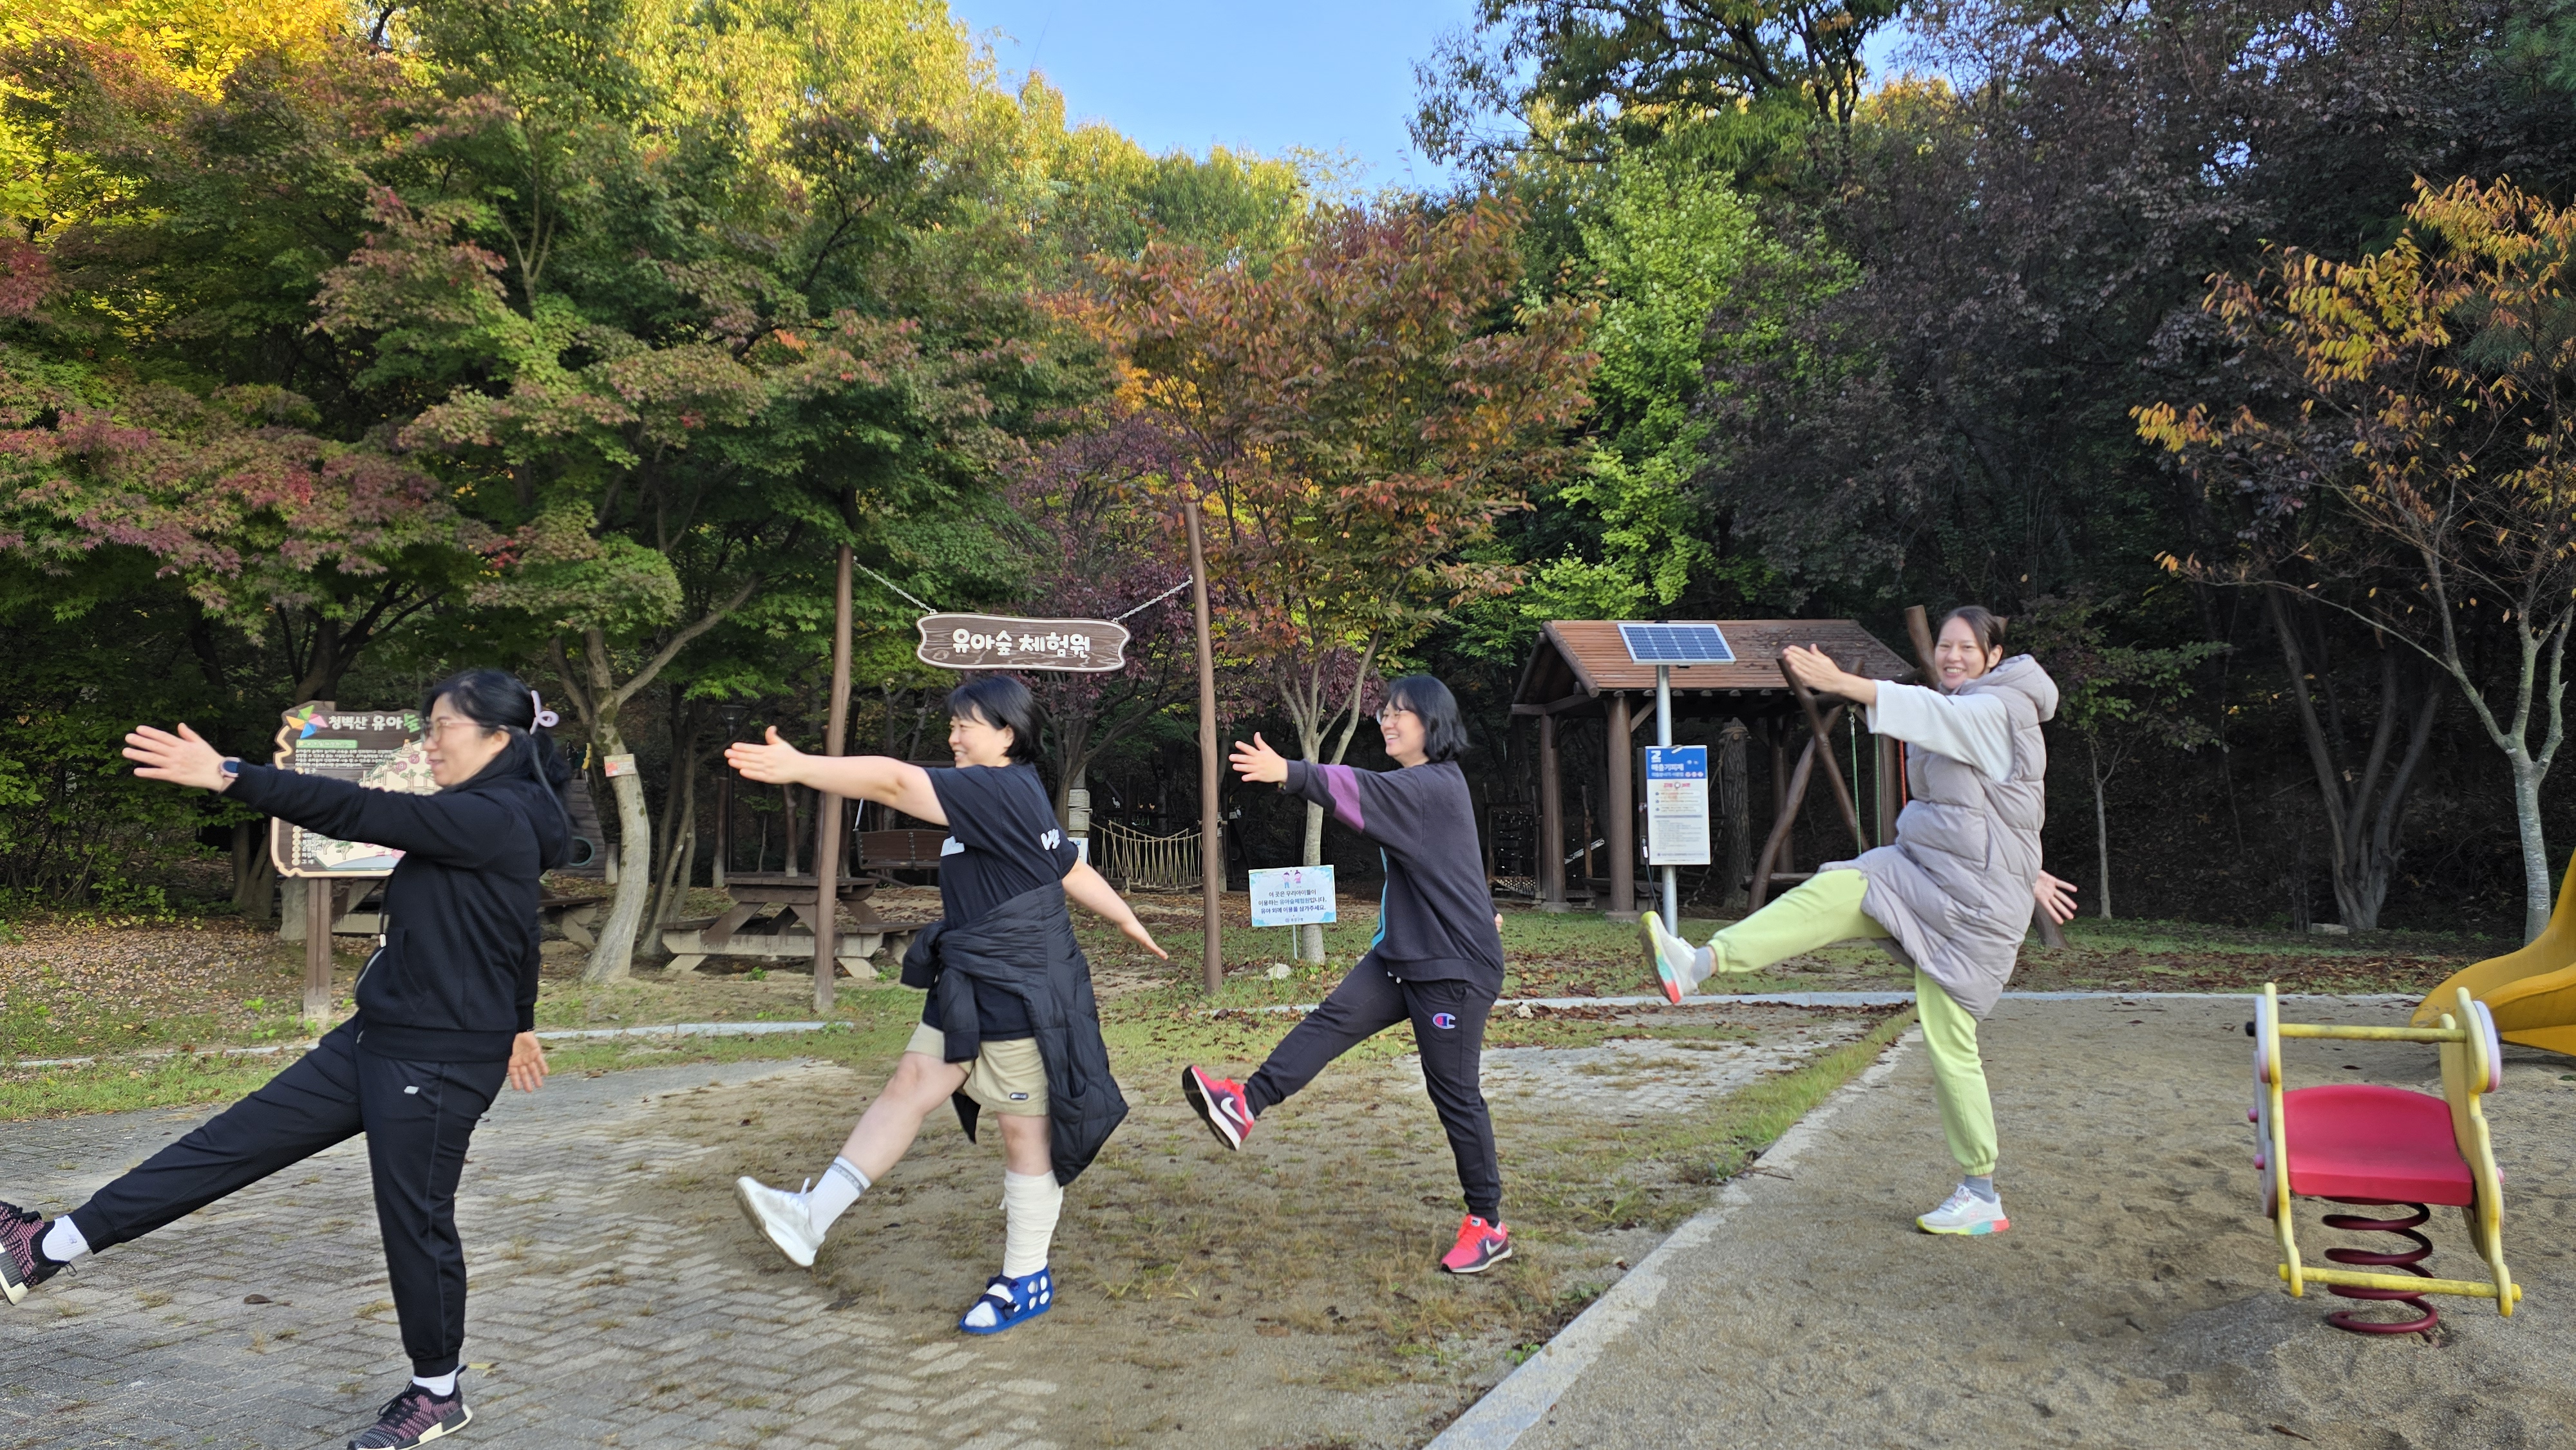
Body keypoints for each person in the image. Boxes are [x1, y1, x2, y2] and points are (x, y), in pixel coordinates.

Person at [1, 669, 573, 1450]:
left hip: (438, 1060)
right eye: (427, 724)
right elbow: (515, 929)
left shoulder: (493, 815)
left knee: (415, 1222)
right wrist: (524, 1022)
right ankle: (44, 1248)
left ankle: (437, 1392)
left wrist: (228, 773)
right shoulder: (490, 813)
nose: (429, 740)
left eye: (442, 725)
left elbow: (359, 809)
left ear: (498, 738)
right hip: (376, 1037)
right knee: (227, 1144)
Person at [725, 673, 1165, 1335]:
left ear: (1007, 734)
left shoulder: (1001, 788)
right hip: (970, 978)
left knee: (1024, 1131)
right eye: (952, 724)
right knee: (909, 1084)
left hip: (1021, 983)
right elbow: (1068, 863)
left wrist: (801, 767)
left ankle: (1026, 1276)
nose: (953, 736)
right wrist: (1126, 917)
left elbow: (893, 782)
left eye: (966, 725)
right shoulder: (1010, 793)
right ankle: (809, 1218)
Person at [1641, 607, 2079, 1236]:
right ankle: (1697, 963)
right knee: (1841, 885)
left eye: (1966, 648)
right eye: (1946, 645)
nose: (1952, 656)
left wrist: (1845, 684)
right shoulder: (1964, 703)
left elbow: (1947, 723)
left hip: (1973, 910)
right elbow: (1999, 810)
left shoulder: (2001, 707)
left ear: (1993, 656)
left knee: (1950, 1040)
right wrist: (2027, 869)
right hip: (1923, 873)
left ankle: (1981, 1191)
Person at [1181, 675, 1515, 1276]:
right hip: (1406, 955)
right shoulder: (1426, 788)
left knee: (1453, 1092)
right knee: (1332, 1020)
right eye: (1384, 712)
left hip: (1453, 968)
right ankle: (1245, 1104)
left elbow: (1357, 787)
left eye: (1401, 713)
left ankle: (1488, 1225)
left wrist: (1289, 772)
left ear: (1433, 723)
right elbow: (1451, 867)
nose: (1387, 720)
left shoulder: (1431, 785)